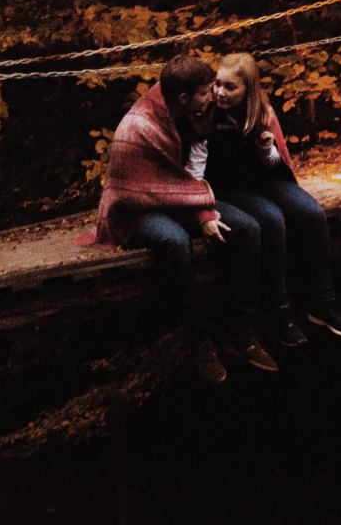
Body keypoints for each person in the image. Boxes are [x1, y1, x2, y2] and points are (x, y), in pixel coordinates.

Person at [94, 53, 279, 384]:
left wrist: (203, 211)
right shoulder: (141, 126)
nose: (212, 97)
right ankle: (200, 341)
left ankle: (240, 331)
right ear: (184, 97)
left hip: (182, 198)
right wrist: (202, 213)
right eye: (206, 91)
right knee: (174, 241)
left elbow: (184, 178)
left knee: (247, 228)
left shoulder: (189, 108)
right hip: (136, 209)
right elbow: (142, 190)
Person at [204, 52, 341, 347]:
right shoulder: (207, 114)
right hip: (227, 187)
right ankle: (279, 309)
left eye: (230, 87)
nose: (220, 92)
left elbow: (276, 165)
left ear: (248, 89)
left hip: (262, 178)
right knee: (272, 219)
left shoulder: (261, 111)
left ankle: (323, 303)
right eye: (217, 84)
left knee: (311, 211)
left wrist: (266, 149)